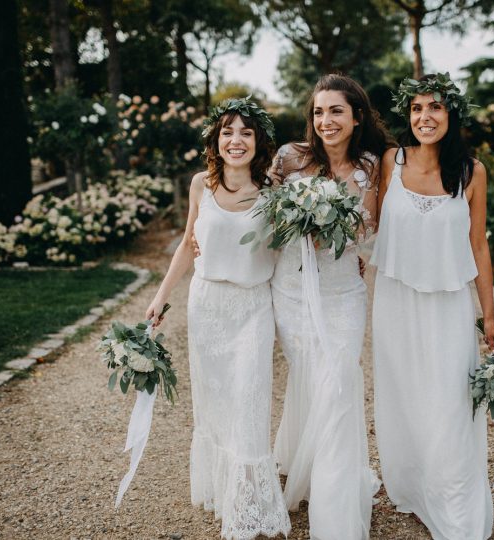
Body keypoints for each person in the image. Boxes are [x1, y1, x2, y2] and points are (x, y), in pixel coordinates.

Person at [145, 98, 290, 540]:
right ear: (216, 140)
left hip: (253, 308)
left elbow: (291, 253)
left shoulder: (274, 194)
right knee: (216, 403)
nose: (236, 140)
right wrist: (160, 296)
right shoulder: (200, 186)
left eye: (246, 132)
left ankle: (247, 509)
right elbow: (189, 244)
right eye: (228, 132)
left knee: (249, 399)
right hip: (207, 308)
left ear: (259, 141)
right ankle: (226, 491)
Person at [370, 73, 494, 540]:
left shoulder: (472, 171)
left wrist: (488, 316)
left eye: (435, 108)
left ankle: (454, 500)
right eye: (416, 109)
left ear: (452, 115)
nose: (425, 117)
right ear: (408, 116)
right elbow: (368, 222)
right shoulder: (392, 161)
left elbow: (478, 245)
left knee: (451, 402)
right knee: (405, 396)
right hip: (395, 301)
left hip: (449, 302)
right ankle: (413, 486)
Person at [269, 74, 391, 540]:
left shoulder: (372, 167)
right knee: (308, 375)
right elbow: (261, 214)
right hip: (293, 290)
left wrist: (346, 234)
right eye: (319, 112)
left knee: (340, 379)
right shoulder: (289, 158)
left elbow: (374, 229)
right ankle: (299, 452)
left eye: (336, 111)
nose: (326, 121)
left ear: (356, 116)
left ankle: (336, 509)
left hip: (343, 291)